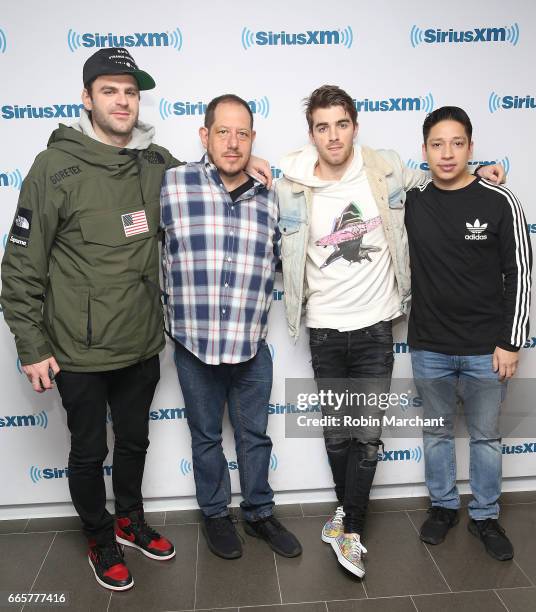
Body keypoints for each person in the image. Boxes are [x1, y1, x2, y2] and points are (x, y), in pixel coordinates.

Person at [0, 48, 272, 591]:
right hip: (77, 349)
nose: (122, 101)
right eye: (109, 91)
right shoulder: (54, 167)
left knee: (133, 444)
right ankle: (99, 537)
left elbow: (213, 174)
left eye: (130, 92)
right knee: (87, 450)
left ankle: (129, 520)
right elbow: (20, 265)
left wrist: (257, 167)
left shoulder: (155, 164)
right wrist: (31, 345)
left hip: (141, 343)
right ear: (87, 98)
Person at [276, 85, 505, 578]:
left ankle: (350, 529)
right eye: (322, 126)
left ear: (355, 127)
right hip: (324, 329)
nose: (333, 135)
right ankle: (345, 519)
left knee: (368, 435)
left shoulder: (384, 169)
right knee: (338, 436)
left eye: (341, 124)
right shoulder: (290, 183)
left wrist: (481, 171)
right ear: (311, 132)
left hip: (376, 326)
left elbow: (440, 176)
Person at [161, 94, 302, 561]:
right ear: (204, 135)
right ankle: (216, 515)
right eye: (223, 131)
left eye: (242, 133)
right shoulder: (171, 185)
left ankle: (260, 513)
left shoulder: (273, 197)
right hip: (194, 344)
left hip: (249, 345)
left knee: (254, 437)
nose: (233, 141)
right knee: (205, 438)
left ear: (253, 139)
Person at [405, 106, 532, 561]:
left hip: (486, 349)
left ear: (470, 147)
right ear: (424, 151)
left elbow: (521, 273)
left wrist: (511, 341)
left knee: (485, 438)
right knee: (436, 435)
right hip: (429, 346)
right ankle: (442, 508)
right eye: (437, 144)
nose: (447, 153)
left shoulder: (501, 201)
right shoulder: (413, 198)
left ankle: (485, 516)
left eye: (457, 143)